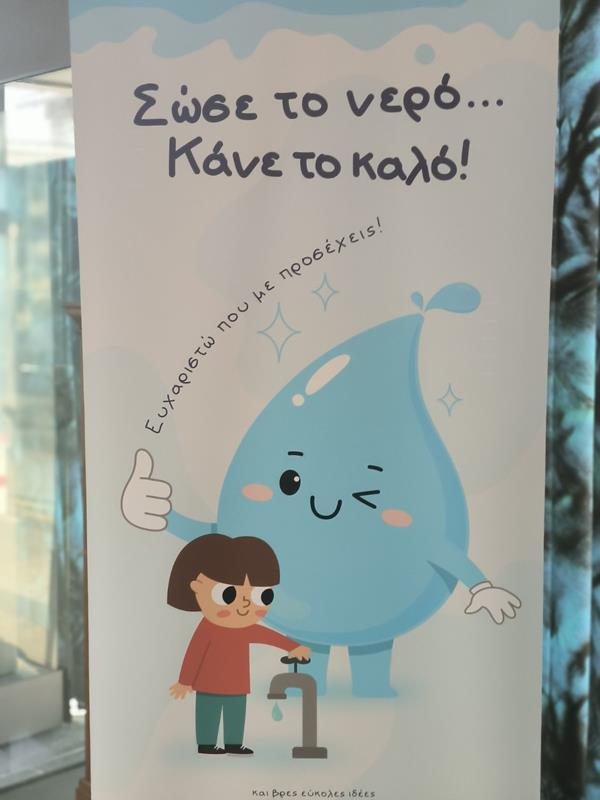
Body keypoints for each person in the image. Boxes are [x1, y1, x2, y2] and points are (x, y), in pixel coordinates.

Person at [167, 533, 310, 755]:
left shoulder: (245, 628)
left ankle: (234, 743)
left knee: (236, 712)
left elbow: (268, 636)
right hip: (208, 683)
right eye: (228, 594)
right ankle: (206, 743)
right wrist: (185, 681)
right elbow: (195, 653)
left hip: (237, 684)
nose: (245, 604)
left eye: (262, 596)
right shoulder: (208, 628)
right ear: (197, 586)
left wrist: (293, 647)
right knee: (208, 711)